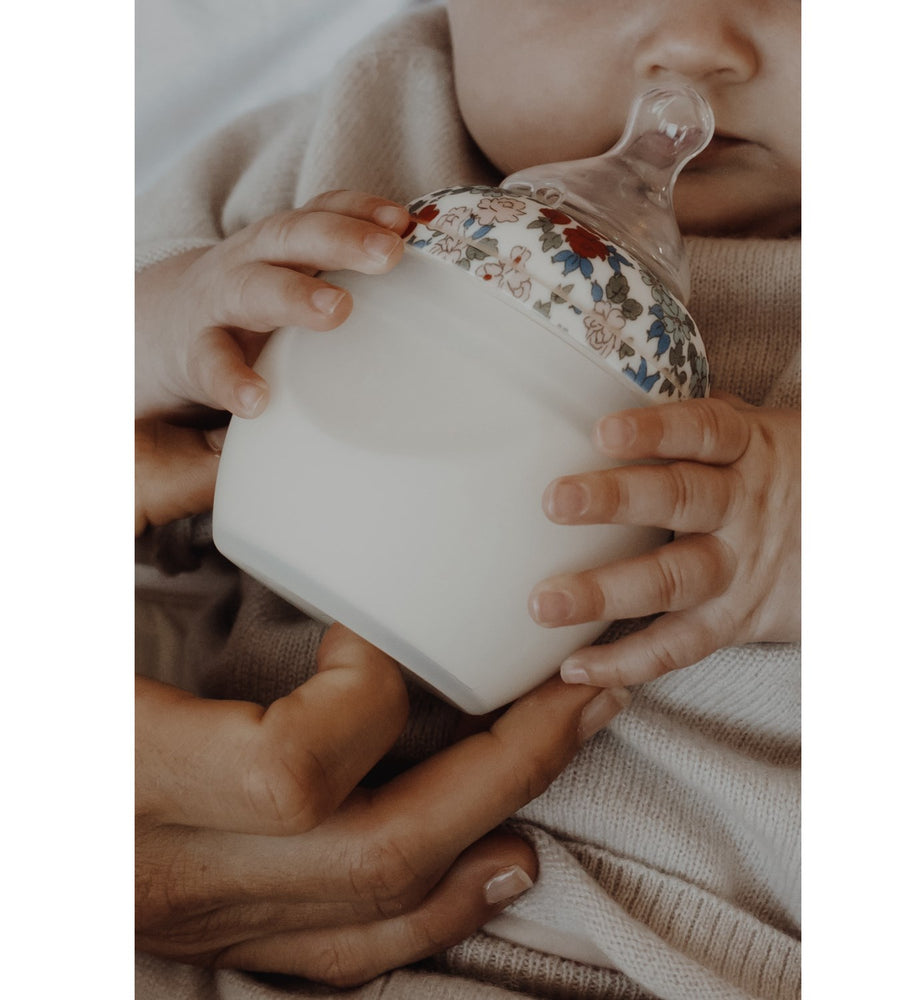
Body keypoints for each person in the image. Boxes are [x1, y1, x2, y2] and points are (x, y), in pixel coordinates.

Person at [135, 1, 801, 997]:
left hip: (650, 949)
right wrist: (166, 330)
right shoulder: (355, 141)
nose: (697, 45)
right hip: (191, 905)